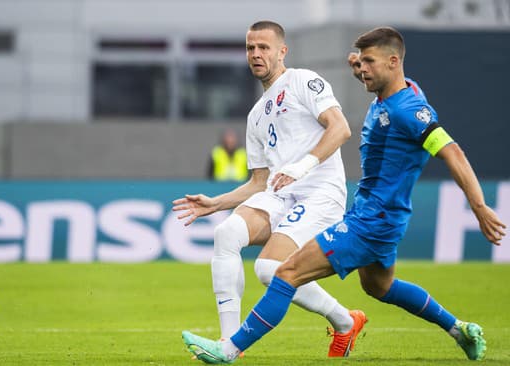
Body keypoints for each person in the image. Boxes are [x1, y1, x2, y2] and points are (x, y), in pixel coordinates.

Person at [181, 26, 506, 363]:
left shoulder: (407, 111)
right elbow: (259, 180)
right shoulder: (394, 94)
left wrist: (479, 207)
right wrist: (359, 62)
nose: (361, 69)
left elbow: (452, 152)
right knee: (379, 287)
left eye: (368, 63)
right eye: (360, 63)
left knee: (284, 274)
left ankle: (230, 350)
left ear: (393, 62)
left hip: (370, 220)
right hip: (378, 217)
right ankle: (458, 329)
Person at [173, 20, 367, 360]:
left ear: (282, 51)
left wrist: (301, 166)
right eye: (250, 48)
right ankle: (229, 343)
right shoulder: (255, 116)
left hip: (320, 193)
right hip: (280, 195)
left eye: (264, 47)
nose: (256, 54)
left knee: (268, 269)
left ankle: (343, 320)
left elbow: (341, 128)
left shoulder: (303, 80)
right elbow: (259, 182)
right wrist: (215, 203)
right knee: (226, 234)